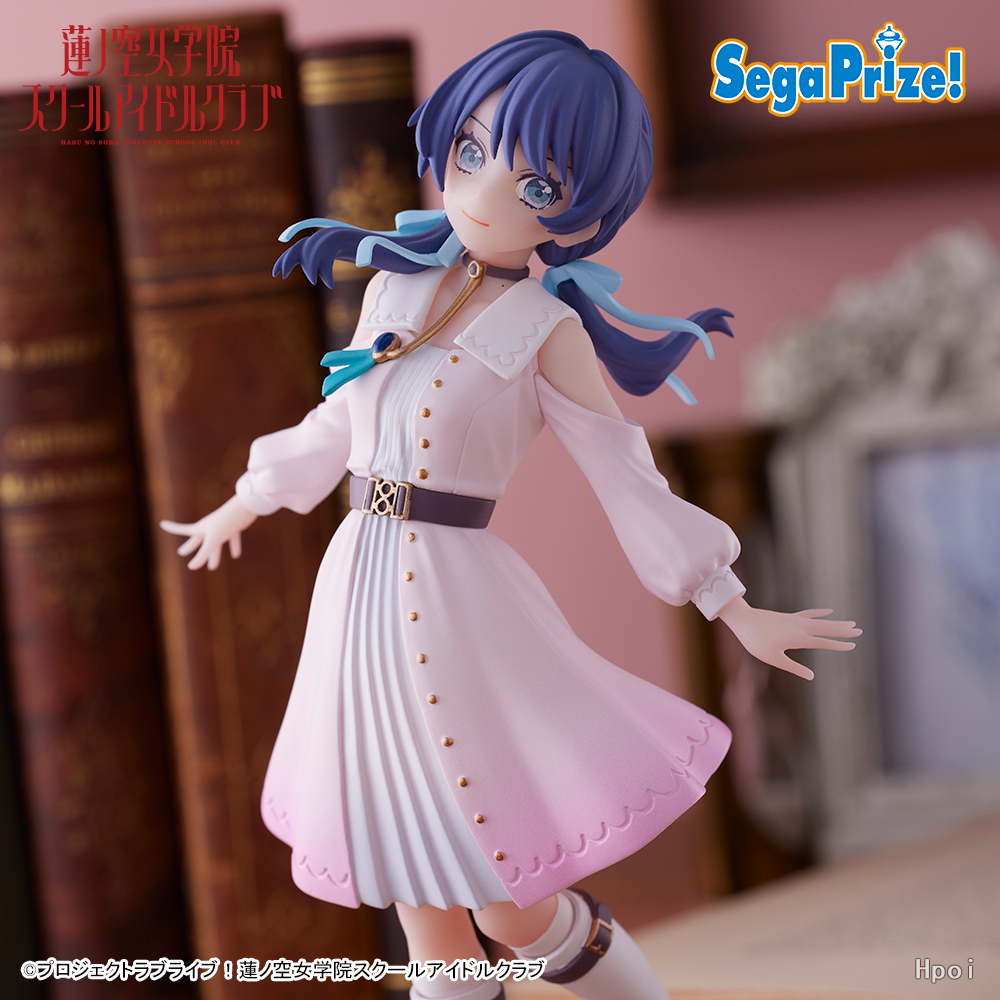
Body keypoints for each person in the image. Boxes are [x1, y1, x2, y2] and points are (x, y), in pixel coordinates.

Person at [161, 31, 860, 1000]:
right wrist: (249, 497)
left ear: (581, 212)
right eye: (471, 152)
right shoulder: (396, 284)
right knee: (416, 889)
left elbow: (623, 474)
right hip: (357, 589)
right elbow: (339, 419)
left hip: (458, 605)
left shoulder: (546, 329)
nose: (486, 192)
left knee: (507, 903)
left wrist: (728, 601)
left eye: (534, 184)